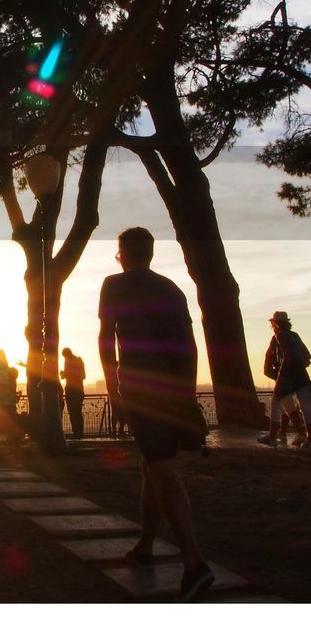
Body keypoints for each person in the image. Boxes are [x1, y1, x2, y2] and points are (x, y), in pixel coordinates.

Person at [98, 227, 213, 602]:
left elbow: (106, 339)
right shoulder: (172, 289)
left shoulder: (113, 285)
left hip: (142, 390)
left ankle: (194, 565)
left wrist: (114, 391)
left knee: (162, 470)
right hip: (175, 388)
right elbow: (191, 344)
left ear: (123, 254)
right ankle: (146, 544)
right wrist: (188, 394)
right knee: (152, 465)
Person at [257, 312, 311, 449]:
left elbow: (288, 354)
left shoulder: (280, 335)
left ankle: (272, 437)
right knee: (305, 405)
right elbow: (307, 356)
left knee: (276, 401)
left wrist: (283, 372)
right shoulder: (294, 335)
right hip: (301, 375)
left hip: (288, 375)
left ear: (275, 323)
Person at [60, 348, 87, 439]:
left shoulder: (67, 361)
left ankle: (76, 432)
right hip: (79, 389)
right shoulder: (79, 360)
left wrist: (64, 374)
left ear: (65, 355)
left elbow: (66, 376)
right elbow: (83, 376)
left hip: (71, 390)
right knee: (77, 412)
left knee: (72, 412)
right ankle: (79, 432)